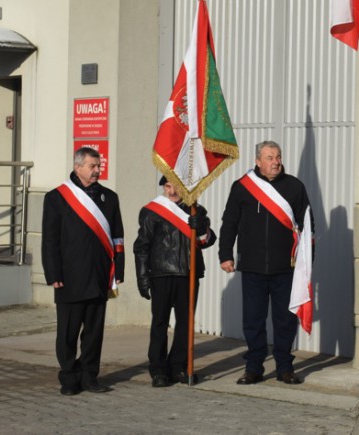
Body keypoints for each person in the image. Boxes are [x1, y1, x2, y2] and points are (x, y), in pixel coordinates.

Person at [219, 140, 312, 385]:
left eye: (278, 156)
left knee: (285, 320)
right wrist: (225, 254)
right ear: (258, 161)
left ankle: (284, 367)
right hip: (253, 267)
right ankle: (253, 367)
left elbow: (308, 226)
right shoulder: (242, 188)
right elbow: (229, 223)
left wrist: (308, 262)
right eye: (269, 157)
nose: (275, 161)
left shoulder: (294, 187)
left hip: (286, 268)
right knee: (253, 319)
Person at [41, 146, 125, 396]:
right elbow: (50, 240)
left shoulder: (109, 198)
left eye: (99, 166)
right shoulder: (57, 198)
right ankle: (69, 376)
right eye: (93, 166)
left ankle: (89, 376)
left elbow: (117, 237)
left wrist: (118, 269)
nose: (98, 170)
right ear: (78, 167)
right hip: (69, 277)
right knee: (67, 333)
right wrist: (53, 274)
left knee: (94, 333)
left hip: (99, 276)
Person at [134, 176, 216, 387]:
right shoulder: (152, 211)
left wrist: (201, 228)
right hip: (161, 274)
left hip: (188, 274)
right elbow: (142, 246)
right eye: (168, 186)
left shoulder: (196, 210)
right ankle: (158, 369)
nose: (172, 191)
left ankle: (178, 366)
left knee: (185, 324)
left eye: (176, 186)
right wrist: (142, 277)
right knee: (160, 322)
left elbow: (207, 241)